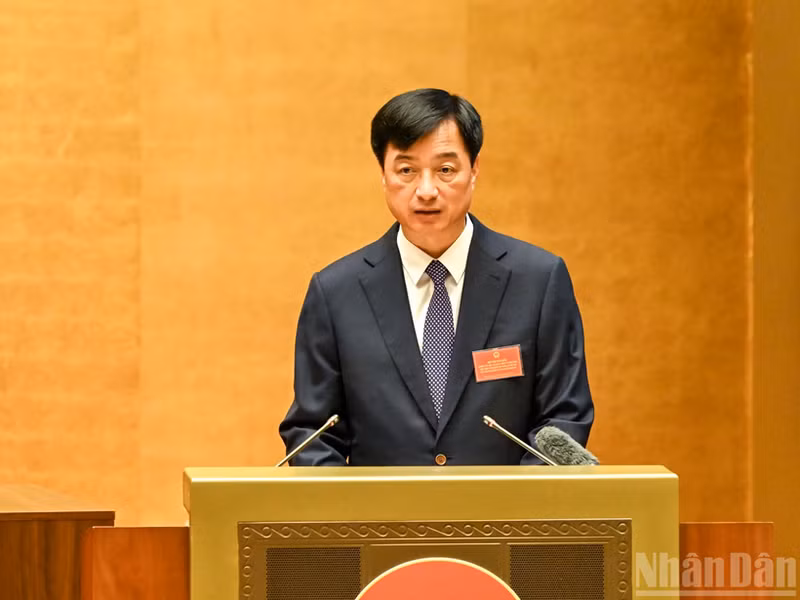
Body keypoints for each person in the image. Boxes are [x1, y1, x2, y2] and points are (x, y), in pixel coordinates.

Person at [279, 88, 593, 466]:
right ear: (383, 175)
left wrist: (514, 512)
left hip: (505, 521)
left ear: (474, 171)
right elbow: (313, 436)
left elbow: (564, 419)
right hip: (379, 522)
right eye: (407, 170)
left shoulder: (538, 281)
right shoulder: (335, 293)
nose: (426, 191)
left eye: (445, 170)